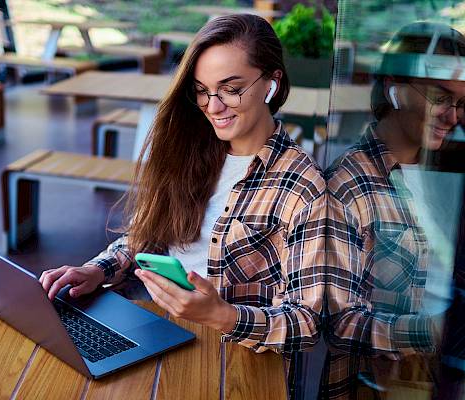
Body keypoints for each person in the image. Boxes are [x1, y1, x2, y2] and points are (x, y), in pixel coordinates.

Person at [40, 14, 326, 356]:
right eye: (202, 91)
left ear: (272, 83)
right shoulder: (191, 147)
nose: (213, 106)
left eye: (232, 90)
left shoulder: (303, 186)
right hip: (156, 322)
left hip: (230, 351)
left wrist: (222, 316)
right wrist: (94, 271)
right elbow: (148, 236)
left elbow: (306, 322)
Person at [324, 21, 465, 398]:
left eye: (461, 103)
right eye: (440, 97)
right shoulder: (349, 182)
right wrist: (436, 329)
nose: (453, 117)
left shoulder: (445, 168)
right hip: (382, 384)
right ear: (395, 89)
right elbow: (337, 321)